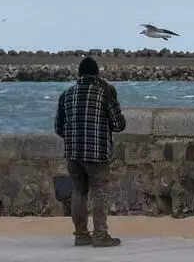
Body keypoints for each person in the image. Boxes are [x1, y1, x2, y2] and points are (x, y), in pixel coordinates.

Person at [54, 56, 126, 247]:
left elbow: (58, 128)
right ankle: (100, 236)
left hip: (73, 153)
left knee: (79, 192)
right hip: (97, 153)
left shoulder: (66, 94)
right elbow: (119, 125)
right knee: (99, 192)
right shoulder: (104, 93)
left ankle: (80, 235)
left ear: (79, 74)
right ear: (97, 74)